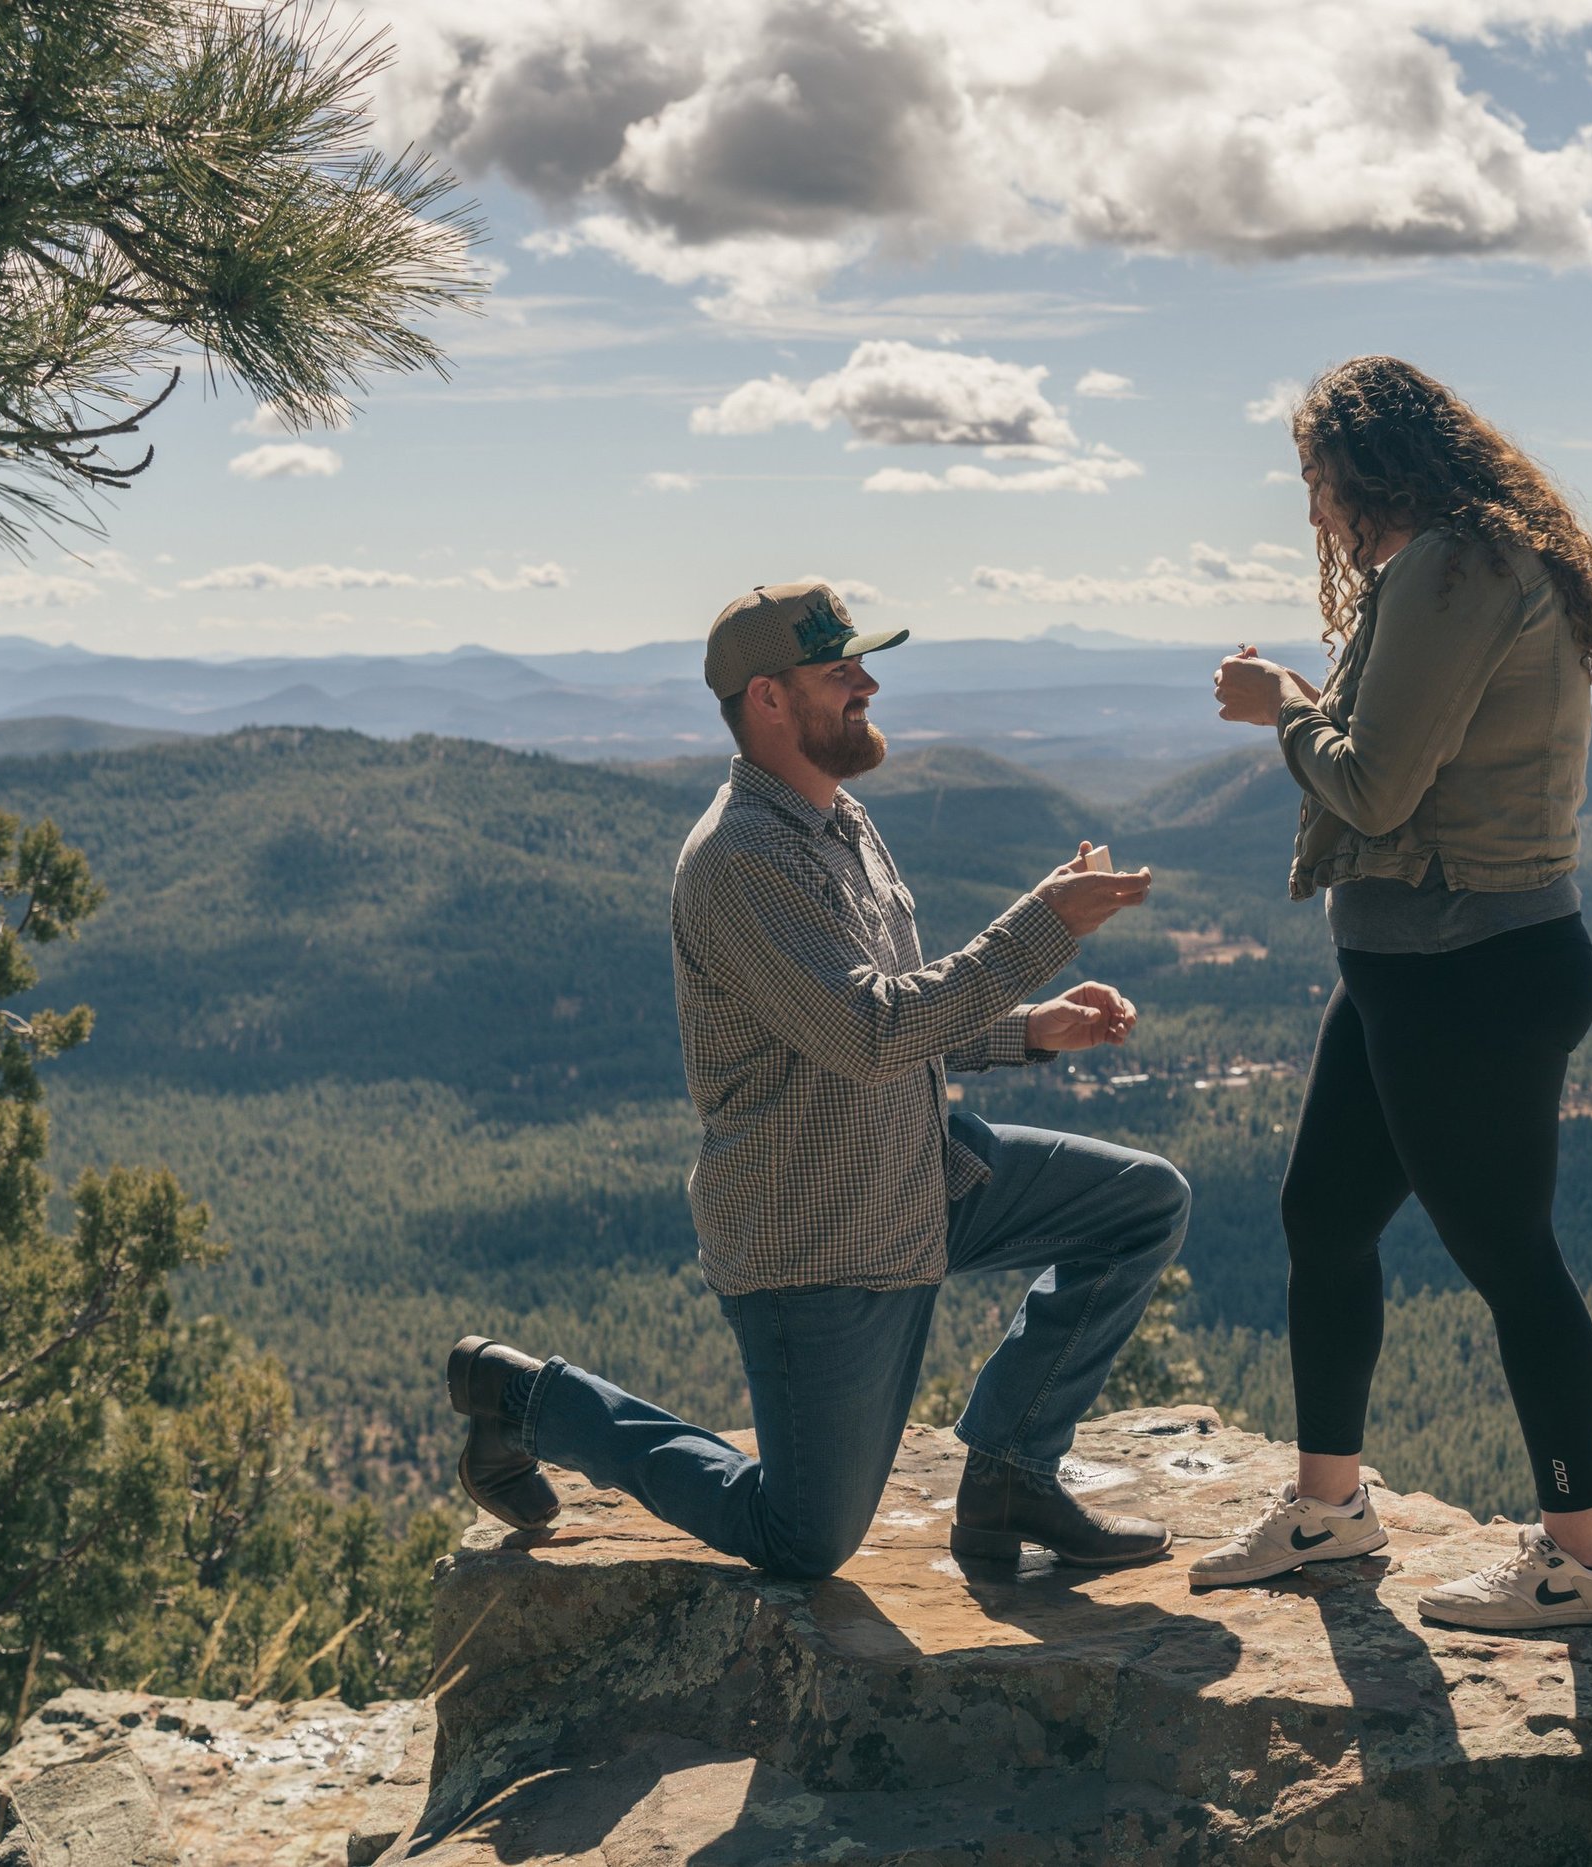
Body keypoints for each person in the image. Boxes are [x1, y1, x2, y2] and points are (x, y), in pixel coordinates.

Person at [444, 581, 1189, 1577]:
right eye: (839, 671)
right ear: (766, 699)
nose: (867, 683)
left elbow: (888, 1010)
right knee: (802, 1541)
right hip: (819, 1241)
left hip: (918, 1177)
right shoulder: (743, 858)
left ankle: (1009, 1471)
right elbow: (869, 1031)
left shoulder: (842, 823)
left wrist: (1027, 1031)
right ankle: (527, 1401)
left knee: (1140, 1205)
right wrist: (1041, 926)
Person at [1186, 357, 1592, 1631]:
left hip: (1465, 969)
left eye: (1317, 481)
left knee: (1509, 1260)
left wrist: (1281, 707)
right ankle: (1330, 1509)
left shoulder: (1457, 565)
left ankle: (1577, 1562)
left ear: (1371, 465)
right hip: (1412, 967)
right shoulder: (1470, 557)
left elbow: (1374, 789)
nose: (1315, 510)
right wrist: (1310, 711)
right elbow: (1402, 766)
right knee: (1322, 1215)